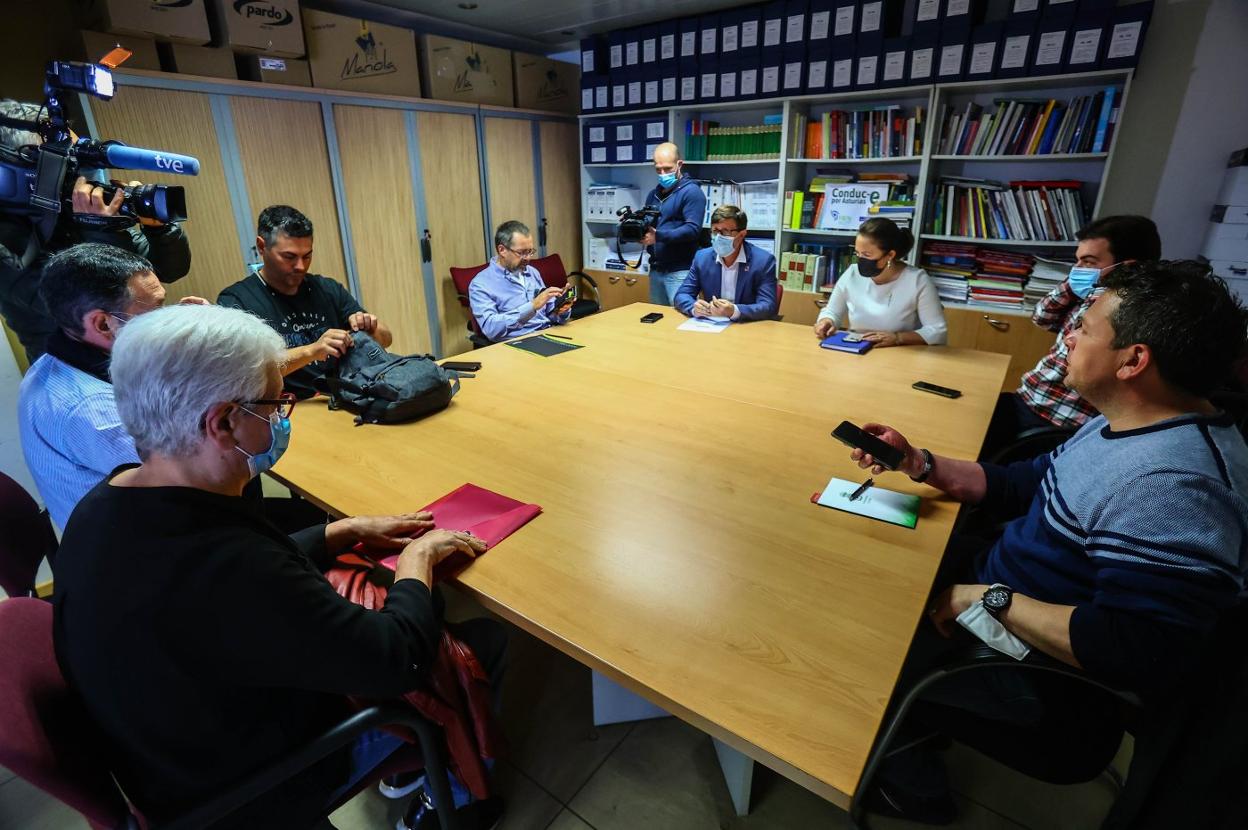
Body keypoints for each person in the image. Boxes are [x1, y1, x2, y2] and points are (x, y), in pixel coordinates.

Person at [52, 304, 506, 829]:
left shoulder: (111, 498)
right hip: (254, 787)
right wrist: (417, 560)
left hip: (168, 756)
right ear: (222, 422)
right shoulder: (228, 569)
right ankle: (449, 801)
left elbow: (239, 568)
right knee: (478, 647)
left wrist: (339, 530)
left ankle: (412, 768)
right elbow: (396, 659)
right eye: (273, 405)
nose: (280, 418)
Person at [844, 260, 1248, 823]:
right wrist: (920, 463)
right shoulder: (1131, 422)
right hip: (999, 593)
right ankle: (914, 727)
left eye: (1086, 326)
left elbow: (1134, 649)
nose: (1070, 333)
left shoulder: (1174, 487)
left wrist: (982, 599)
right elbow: (1026, 482)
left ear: (1134, 361)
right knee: (855, 560)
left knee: (839, 639)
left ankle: (917, 789)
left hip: (1035, 683)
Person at [16, 243, 206, 529]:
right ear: (104, 325)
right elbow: (197, 476)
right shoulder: (92, 409)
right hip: (138, 551)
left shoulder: (56, 359)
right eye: (155, 311)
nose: (166, 320)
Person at [0, 99, 192, 362]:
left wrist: (157, 228)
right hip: (73, 373)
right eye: (62, 162)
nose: (74, 172)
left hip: (135, 357)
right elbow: (86, 304)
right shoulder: (7, 239)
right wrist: (100, 229)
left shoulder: (71, 205)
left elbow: (170, 269)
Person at [983, 215, 1162, 457]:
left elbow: (1065, 374)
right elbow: (1042, 316)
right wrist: (1076, 280)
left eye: (1088, 261)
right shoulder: (1090, 294)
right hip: (1032, 402)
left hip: (1051, 419)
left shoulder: (1116, 312)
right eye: (1077, 261)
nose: (1077, 269)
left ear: (1126, 267)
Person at [217, 205, 392, 399]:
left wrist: (369, 327)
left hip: (346, 396)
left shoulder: (327, 289)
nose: (300, 266)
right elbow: (246, 372)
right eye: (289, 257)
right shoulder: (237, 302)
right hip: (289, 409)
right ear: (261, 246)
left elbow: (386, 339)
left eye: (307, 256)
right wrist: (312, 351)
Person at [813, 217, 946, 347]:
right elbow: (832, 311)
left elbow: (937, 331)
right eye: (857, 254)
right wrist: (826, 321)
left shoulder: (917, 281)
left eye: (866, 255)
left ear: (890, 255)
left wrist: (898, 338)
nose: (860, 260)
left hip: (899, 353)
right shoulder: (852, 274)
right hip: (856, 348)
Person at [468, 220, 572, 342]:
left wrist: (562, 309)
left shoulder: (532, 272)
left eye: (530, 252)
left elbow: (551, 314)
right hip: (518, 342)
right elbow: (491, 329)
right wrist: (532, 306)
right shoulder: (480, 284)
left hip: (548, 333)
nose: (528, 258)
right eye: (521, 253)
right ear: (502, 250)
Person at [673, 205, 778, 321]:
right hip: (712, 325)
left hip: (747, 326)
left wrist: (734, 311)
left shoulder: (763, 261)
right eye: (715, 231)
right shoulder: (702, 258)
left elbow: (768, 306)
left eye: (725, 232)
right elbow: (681, 295)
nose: (718, 237)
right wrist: (694, 308)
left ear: (742, 234)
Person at [642, 142, 707, 306]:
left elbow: (692, 229)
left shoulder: (692, 192)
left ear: (679, 164)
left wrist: (658, 236)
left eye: (667, 169)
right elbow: (648, 223)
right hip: (656, 270)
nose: (662, 173)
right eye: (658, 169)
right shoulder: (653, 195)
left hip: (680, 271)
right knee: (658, 322)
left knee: (681, 321)